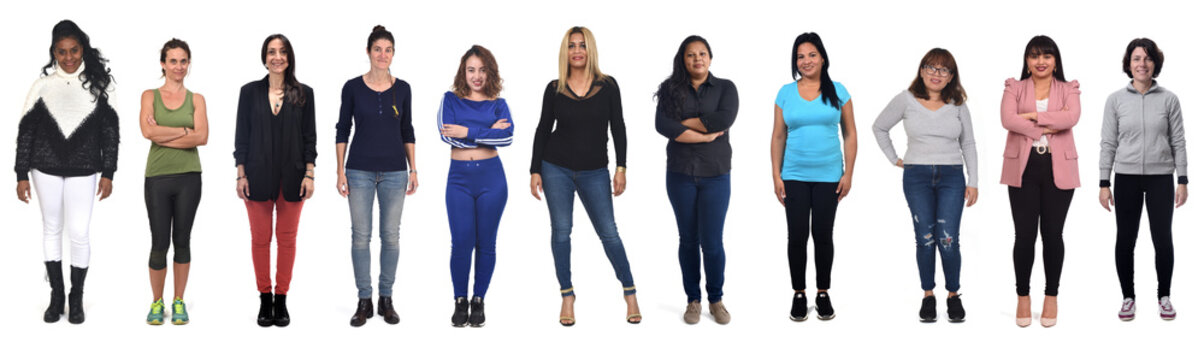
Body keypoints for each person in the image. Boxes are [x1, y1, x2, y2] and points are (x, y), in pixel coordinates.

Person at [530, 26, 641, 326]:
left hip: (595, 171)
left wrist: (621, 167)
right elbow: (543, 128)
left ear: (590, 50)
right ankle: (567, 295)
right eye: (571, 45)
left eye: (582, 45)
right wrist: (534, 169)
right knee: (561, 231)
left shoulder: (608, 86)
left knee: (609, 232)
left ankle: (629, 291)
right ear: (565, 51)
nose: (577, 51)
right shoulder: (554, 87)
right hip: (556, 168)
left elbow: (618, 126)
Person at [16, 19, 119, 325]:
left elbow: (110, 132)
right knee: (51, 227)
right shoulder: (42, 86)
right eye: (62, 52)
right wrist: (21, 173)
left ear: (82, 48)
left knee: (79, 231)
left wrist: (109, 172)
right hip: (43, 167)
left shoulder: (101, 86)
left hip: (84, 168)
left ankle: (76, 298)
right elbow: (26, 133)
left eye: (74, 50)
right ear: (54, 52)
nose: (69, 57)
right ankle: (57, 295)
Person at [872, 48, 977, 323]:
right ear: (921, 70)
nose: (936, 74)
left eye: (943, 70)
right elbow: (879, 127)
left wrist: (973, 180)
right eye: (931, 67)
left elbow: (968, 143)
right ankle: (928, 295)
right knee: (925, 239)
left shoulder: (957, 104)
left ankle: (953, 295)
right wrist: (894, 158)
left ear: (951, 76)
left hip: (952, 177)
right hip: (916, 175)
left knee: (948, 239)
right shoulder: (906, 99)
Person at [771, 32, 857, 322]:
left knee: (823, 235)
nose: (805, 61)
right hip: (793, 174)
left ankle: (822, 292)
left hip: (829, 175)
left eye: (811, 55)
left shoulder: (839, 90)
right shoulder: (785, 92)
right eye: (800, 56)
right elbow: (778, 135)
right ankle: (798, 293)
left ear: (822, 57)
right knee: (796, 236)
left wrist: (848, 173)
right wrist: (776, 175)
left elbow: (850, 133)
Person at [1099, 38, 1186, 321]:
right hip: (1125, 177)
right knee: (1125, 239)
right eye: (1137, 58)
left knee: (1163, 239)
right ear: (1129, 63)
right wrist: (1104, 182)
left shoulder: (1170, 99)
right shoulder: (1115, 100)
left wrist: (1182, 179)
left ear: (1155, 64)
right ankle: (1128, 297)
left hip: (1161, 177)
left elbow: (1179, 142)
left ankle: (1164, 296)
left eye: (1148, 59)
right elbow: (1108, 143)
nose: (1142, 64)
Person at [233, 33, 317, 327]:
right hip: (256, 176)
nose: (277, 57)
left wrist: (310, 174)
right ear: (264, 57)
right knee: (260, 240)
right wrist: (240, 174)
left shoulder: (304, 93)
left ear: (289, 57)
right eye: (271, 52)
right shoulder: (249, 92)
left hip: (294, 177)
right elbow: (241, 137)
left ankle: (281, 300)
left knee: (287, 240)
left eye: (282, 52)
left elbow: (310, 138)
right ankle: (264, 298)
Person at [335, 25, 417, 328]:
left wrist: (414, 169)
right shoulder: (352, 87)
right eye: (378, 49)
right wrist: (339, 170)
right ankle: (364, 300)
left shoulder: (404, 88)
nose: (383, 55)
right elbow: (342, 129)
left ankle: (386, 298)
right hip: (358, 171)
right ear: (368, 52)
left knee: (391, 237)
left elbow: (407, 130)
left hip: (396, 171)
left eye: (388, 49)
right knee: (360, 237)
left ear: (393, 53)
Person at [654, 35, 738, 325]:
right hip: (680, 175)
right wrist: (703, 132)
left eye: (702, 53)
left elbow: (723, 120)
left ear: (711, 58)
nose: (697, 59)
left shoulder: (726, 88)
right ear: (684, 59)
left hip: (716, 175)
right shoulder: (670, 89)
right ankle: (693, 300)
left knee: (712, 242)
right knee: (688, 240)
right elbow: (662, 125)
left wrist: (682, 124)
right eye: (691, 55)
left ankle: (716, 299)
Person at [1000, 35, 1081, 328]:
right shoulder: (1014, 86)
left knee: (1053, 235)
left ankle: (1051, 296)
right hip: (1023, 168)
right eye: (1034, 56)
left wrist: (1033, 116)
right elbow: (1008, 120)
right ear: (1027, 61)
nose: (1041, 61)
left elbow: (1072, 117)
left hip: (1059, 169)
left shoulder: (1069, 88)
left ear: (1055, 60)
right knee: (1024, 236)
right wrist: (1050, 120)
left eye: (1046, 56)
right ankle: (1023, 296)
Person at [438, 45, 513, 327]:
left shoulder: (498, 103)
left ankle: (478, 300)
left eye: (482, 70)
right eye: (471, 70)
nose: (477, 76)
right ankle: (460, 300)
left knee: (486, 243)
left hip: (492, 179)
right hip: (459, 179)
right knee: (461, 241)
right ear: (463, 72)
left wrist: (468, 130)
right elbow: (448, 137)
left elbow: (506, 139)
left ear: (489, 71)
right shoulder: (450, 100)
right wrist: (487, 133)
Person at [139, 38, 208, 325]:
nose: (178, 66)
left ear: (188, 63)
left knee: (182, 241)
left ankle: (178, 301)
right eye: (173, 61)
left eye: (183, 61)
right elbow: (146, 131)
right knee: (158, 243)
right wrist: (184, 129)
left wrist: (164, 132)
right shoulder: (149, 95)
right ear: (163, 64)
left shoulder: (197, 99)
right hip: (157, 177)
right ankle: (157, 302)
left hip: (189, 178)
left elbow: (202, 137)